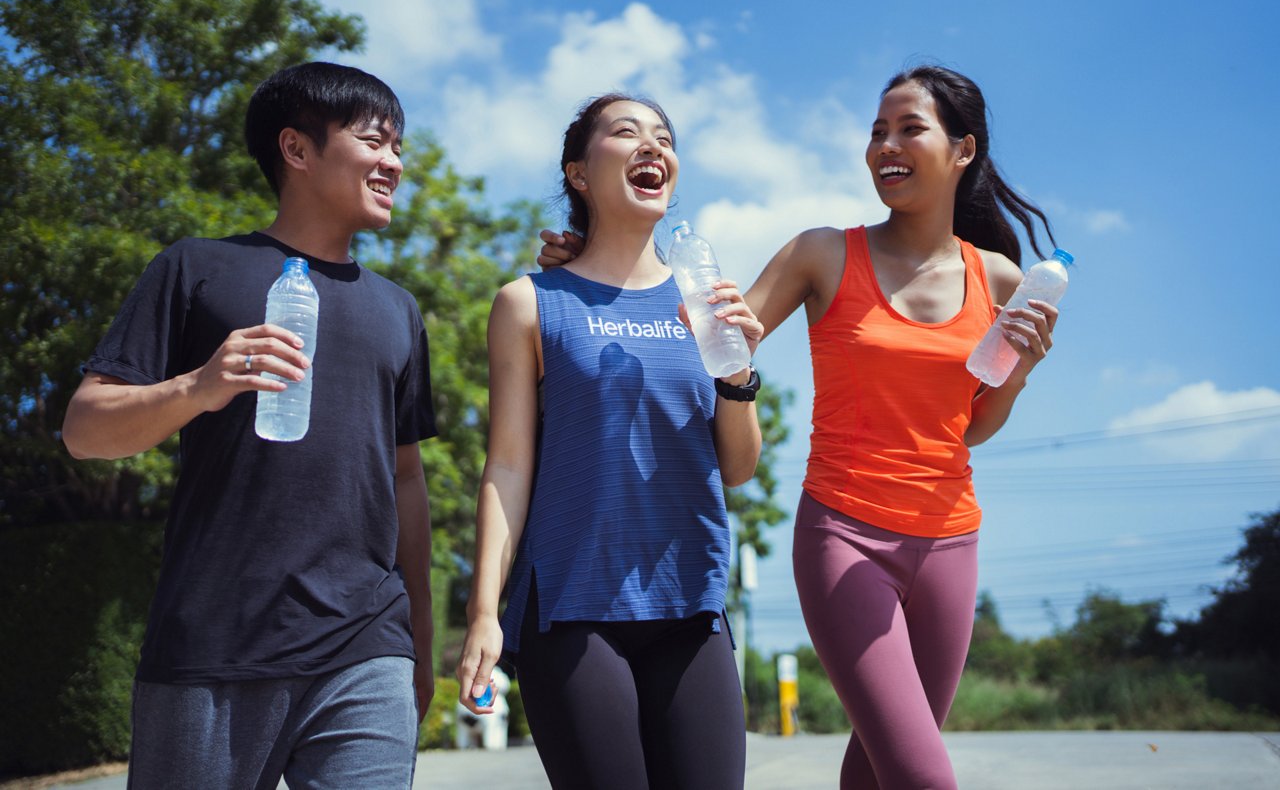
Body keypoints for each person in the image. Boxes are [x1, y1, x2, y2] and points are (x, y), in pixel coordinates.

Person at [539, 65, 1061, 789]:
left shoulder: (1001, 279)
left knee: (878, 769)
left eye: (910, 128)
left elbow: (969, 430)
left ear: (963, 149)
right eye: (878, 131)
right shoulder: (824, 252)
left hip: (951, 541)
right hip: (845, 537)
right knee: (923, 777)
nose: (886, 145)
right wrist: (592, 268)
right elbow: (715, 339)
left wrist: (1022, 368)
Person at [62, 62, 437, 789]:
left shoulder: (399, 310)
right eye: (374, 141)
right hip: (213, 640)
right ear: (297, 150)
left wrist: (418, 634)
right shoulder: (196, 269)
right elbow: (85, 429)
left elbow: (407, 479)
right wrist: (198, 386)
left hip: (367, 640)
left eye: (399, 147)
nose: (394, 162)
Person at [456, 93, 764, 790]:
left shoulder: (707, 304)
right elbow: (506, 464)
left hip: (691, 604)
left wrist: (739, 372)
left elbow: (738, 468)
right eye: (627, 134)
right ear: (578, 173)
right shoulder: (530, 302)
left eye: (665, 137)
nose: (653, 146)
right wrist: (483, 614)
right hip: (571, 606)